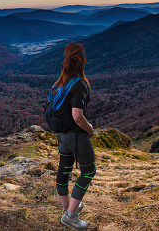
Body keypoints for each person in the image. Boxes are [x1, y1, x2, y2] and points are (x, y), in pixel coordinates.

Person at [53, 42, 95, 230]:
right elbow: (77, 115)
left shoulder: (62, 81)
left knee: (64, 171)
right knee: (88, 171)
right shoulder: (80, 84)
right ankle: (71, 215)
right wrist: (90, 129)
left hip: (62, 135)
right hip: (77, 136)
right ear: (83, 60)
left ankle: (66, 208)